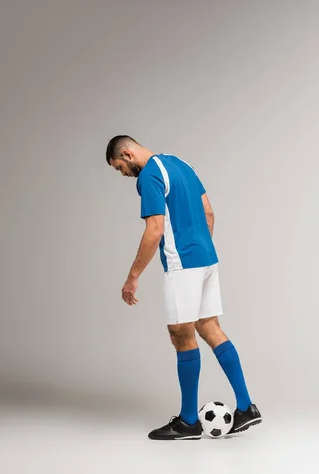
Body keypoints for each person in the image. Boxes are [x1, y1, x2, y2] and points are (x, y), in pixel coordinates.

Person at [106, 135, 262, 440]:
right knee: (209, 326)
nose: (124, 174)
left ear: (126, 152)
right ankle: (246, 407)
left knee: (181, 332)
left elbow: (154, 229)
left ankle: (189, 420)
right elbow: (209, 212)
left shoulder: (150, 173)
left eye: (119, 167)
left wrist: (132, 276)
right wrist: (201, 248)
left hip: (183, 265)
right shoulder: (182, 164)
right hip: (207, 258)